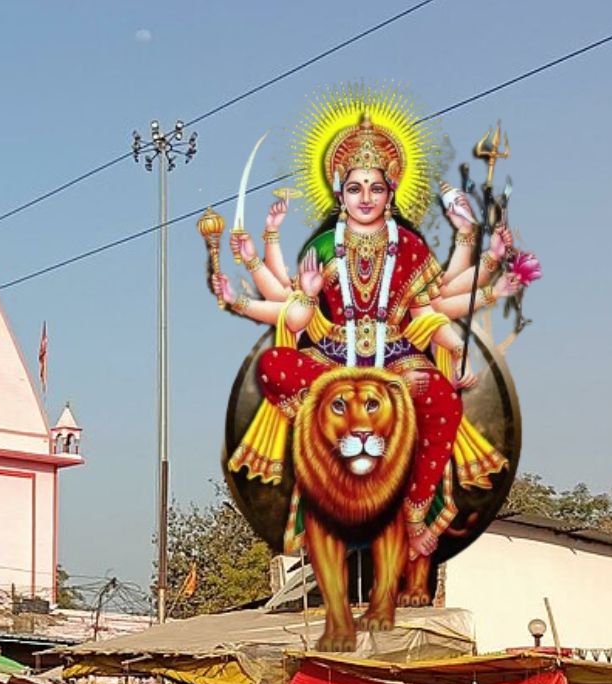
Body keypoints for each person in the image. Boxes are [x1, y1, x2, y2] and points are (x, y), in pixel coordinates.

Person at [211, 94, 535, 569]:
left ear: (390, 194)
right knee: (273, 364)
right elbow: (298, 322)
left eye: (375, 189)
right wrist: (305, 292)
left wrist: (455, 348)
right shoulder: (323, 246)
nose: (365, 198)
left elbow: (425, 313)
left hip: (397, 361)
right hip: (332, 361)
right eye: (355, 188)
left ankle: (416, 510)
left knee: (443, 399)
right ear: (339, 195)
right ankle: (317, 436)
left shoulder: (409, 247)